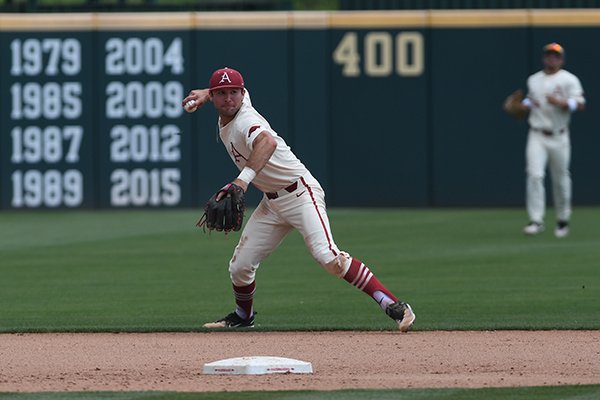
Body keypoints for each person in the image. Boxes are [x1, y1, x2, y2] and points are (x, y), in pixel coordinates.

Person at [182, 67, 415, 331]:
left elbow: (267, 143)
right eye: (221, 93)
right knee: (240, 267)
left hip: (301, 194)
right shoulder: (234, 103)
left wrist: (241, 181)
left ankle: (394, 305)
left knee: (329, 258)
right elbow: (224, 94)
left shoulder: (246, 119)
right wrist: (205, 93)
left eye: (234, 92)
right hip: (271, 204)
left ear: (242, 93)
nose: (229, 98)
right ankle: (243, 317)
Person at [507, 43, 585, 238]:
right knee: (535, 175)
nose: (552, 59)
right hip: (537, 134)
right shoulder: (534, 80)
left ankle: (562, 220)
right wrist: (521, 106)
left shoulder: (569, 79)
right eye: (549, 55)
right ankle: (536, 220)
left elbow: (581, 103)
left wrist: (563, 103)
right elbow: (532, 102)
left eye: (555, 56)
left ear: (562, 59)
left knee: (561, 180)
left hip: (559, 135)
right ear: (544, 58)